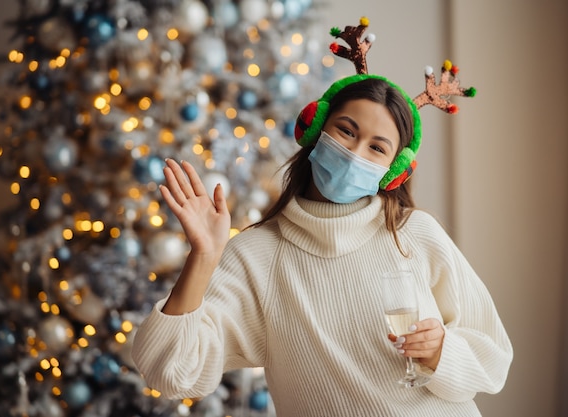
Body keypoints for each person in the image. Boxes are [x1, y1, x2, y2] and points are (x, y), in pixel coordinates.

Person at [132, 19, 513, 417]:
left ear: (394, 170)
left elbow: (494, 358)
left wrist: (441, 352)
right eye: (346, 131)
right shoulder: (255, 254)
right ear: (315, 129)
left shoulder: (416, 233)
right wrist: (204, 257)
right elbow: (170, 372)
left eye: (377, 148)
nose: (355, 153)